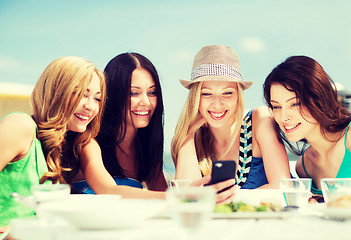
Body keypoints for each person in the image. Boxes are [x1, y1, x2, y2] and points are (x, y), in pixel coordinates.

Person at [171, 45, 290, 203]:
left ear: (238, 96)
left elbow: (282, 187)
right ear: (195, 98)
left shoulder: (258, 121)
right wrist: (189, 132)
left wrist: (218, 199)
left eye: (227, 93)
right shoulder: (194, 139)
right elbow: (187, 199)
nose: (217, 104)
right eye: (206, 94)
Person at [0, 56, 106, 227]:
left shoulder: (59, 150)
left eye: (97, 99)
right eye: (80, 94)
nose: (90, 106)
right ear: (56, 92)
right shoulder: (20, 126)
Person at [77, 52, 168, 198]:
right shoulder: (89, 141)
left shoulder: (146, 148)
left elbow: (162, 194)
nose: (146, 102)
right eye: (134, 93)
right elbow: (107, 191)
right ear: (113, 94)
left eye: (152, 92)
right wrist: (177, 198)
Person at [263, 55, 351, 197]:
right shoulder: (304, 166)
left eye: (294, 104)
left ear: (319, 98)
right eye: (277, 107)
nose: (284, 117)